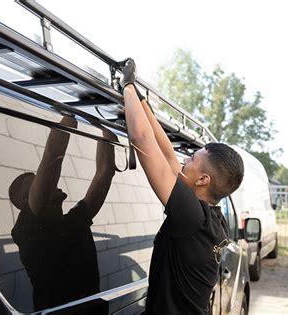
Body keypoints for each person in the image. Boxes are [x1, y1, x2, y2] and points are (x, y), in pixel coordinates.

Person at [121, 58, 244, 314]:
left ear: (202, 180)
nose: (184, 160)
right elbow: (167, 155)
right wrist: (143, 104)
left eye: (192, 159)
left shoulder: (192, 218)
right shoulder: (213, 220)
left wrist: (127, 87)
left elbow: (141, 139)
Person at [9, 116, 115, 312]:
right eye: (35, 182)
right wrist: (70, 115)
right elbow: (52, 156)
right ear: (26, 201)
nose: (49, 181)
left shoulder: (73, 222)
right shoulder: (26, 231)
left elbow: (105, 171)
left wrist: (107, 131)